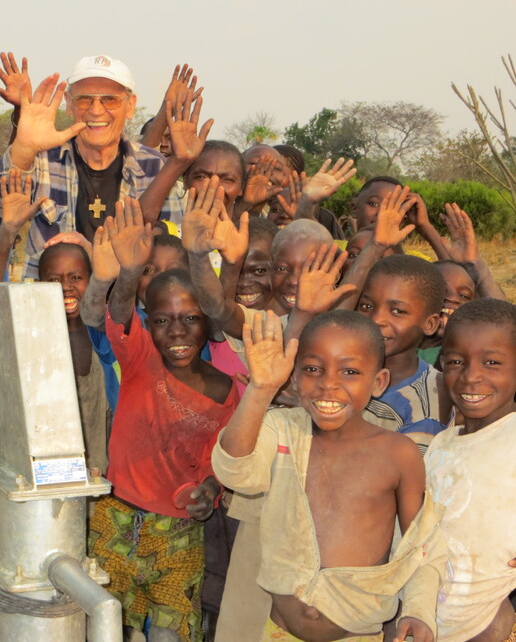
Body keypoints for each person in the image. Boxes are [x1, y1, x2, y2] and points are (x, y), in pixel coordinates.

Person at [212, 309, 444, 642]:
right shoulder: (281, 430)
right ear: (294, 378)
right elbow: (235, 472)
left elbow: (420, 544)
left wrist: (418, 609)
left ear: (378, 382)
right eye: (312, 369)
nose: (328, 384)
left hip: (356, 635)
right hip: (279, 632)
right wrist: (260, 390)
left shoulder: (398, 454)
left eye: (350, 371)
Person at [89, 197, 240, 641]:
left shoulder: (225, 390)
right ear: (148, 323)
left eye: (190, 318)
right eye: (162, 320)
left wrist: (209, 491)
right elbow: (118, 315)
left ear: (208, 321)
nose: (176, 331)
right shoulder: (140, 359)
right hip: (115, 519)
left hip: (179, 535)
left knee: (169, 633)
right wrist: (130, 271)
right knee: (107, 627)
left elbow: (218, 463)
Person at [0, 54, 186, 278]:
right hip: (52, 297)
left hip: (125, 299)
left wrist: (94, 254)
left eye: (109, 100)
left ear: (130, 106)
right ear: (69, 104)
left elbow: (169, 250)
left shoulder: (153, 168)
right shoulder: (43, 161)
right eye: (84, 99)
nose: (96, 110)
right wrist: (23, 149)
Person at [426, 298, 516, 642]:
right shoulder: (441, 444)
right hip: (426, 616)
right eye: (456, 362)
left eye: (492, 362)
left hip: (483, 621)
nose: (471, 376)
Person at [356, 254, 451, 448]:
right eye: (367, 306)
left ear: (430, 324)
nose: (376, 319)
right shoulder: (339, 368)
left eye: (397, 311)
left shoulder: (423, 409)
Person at [37, 241, 109, 471]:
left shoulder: (106, 335)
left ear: (92, 280)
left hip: (106, 470)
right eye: (54, 280)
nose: (65, 287)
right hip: (55, 470)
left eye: (75, 278)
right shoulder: (35, 340)